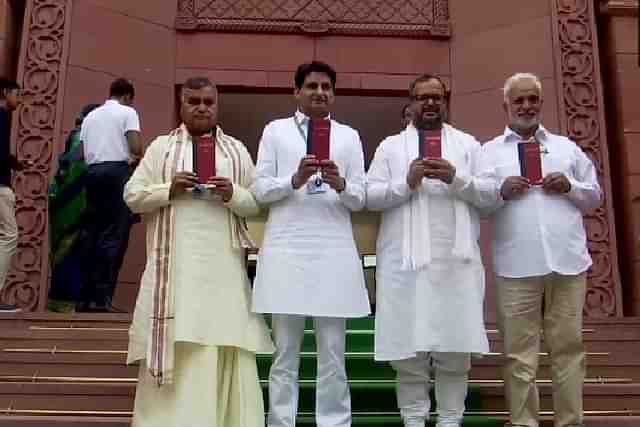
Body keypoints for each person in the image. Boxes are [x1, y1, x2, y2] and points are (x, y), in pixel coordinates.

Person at [124, 76, 273, 427]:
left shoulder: (235, 150)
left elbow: (256, 204)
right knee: (181, 339)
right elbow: (132, 196)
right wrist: (169, 189)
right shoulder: (160, 149)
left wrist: (231, 193)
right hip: (173, 269)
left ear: (216, 105)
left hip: (222, 267)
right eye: (194, 101)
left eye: (208, 102)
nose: (202, 108)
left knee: (222, 339)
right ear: (182, 105)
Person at [366, 74, 495, 427]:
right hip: (405, 265)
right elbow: (369, 196)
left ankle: (450, 420)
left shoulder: (468, 145)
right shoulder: (390, 147)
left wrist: (457, 178)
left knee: (455, 348)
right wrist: (406, 183)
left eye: (437, 97)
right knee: (409, 351)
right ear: (411, 103)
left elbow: (491, 195)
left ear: (446, 101)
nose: (431, 103)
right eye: (423, 97)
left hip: (457, 264)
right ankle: (413, 420)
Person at [478, 72, 602, 427]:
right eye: (519, 100)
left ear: (541, 102)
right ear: (506, 105)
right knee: (519, 356)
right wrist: (500, 191)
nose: (527, 106)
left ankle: (570, 422)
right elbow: (478, 205)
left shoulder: (566, 148)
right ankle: (524, 423)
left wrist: (570, 186)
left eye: (532, 99)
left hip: (568, 264)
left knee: (568, 350)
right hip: (516, 266)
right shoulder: (488, 153)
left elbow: (594, 196)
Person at [252, 61, 370, 427]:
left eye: (326, 87)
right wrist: (294, 179)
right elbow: (259, 189)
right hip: (287, 250)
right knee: (285, 352)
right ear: (297, 91)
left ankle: (334, 423)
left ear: (333, 93)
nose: (320, 92)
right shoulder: (276, 131)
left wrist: (341, 185)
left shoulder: (349, 137)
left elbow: (361, 198)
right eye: (312, 86)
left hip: (333, 253)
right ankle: (281, 422)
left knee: (333, 353)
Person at [77, 78, 143, 312]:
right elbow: (136, 148)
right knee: (114, 234)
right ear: (127, 96)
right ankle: (102, 298)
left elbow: (82, 153)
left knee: (92, 234)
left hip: (92, 173)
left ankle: (83, 298)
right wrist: (136, 157)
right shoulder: (127, 112)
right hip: (117, 173)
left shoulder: (91, 117)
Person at [48, 103, 100, 312]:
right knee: (73, 250)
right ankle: (67, 302)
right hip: (73, 206)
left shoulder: (79, 136)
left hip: (65, 203)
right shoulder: (82, 138)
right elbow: (77, 173)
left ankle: (63, 301)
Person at [0, 78, 27, 312]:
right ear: (5, 92)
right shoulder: (2, 114)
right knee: (9, 235)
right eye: (18, 95)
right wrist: (16, 164)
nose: (20, 100)